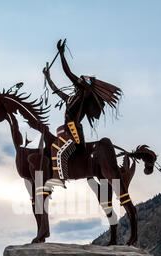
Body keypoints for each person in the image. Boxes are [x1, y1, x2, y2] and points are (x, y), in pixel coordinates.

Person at [43, 40, 123, 187]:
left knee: (56, 148)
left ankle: (58, 178)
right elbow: (56, 89)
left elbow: (68, 73)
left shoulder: (83, 96)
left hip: (74, 132)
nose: (79, 80)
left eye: (83, 81)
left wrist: (61, 54)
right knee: (53, 147)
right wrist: (48, 77)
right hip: (67, 130)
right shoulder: (70, 99)